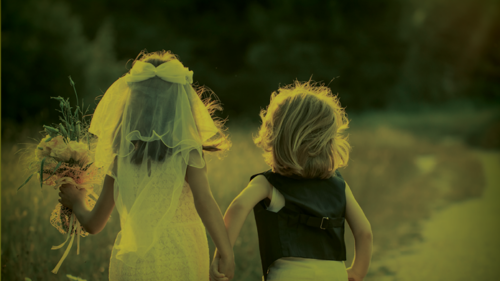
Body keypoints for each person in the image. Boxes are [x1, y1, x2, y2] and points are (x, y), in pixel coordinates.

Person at [59, 50, 234, 281]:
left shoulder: (121, 157)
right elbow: (204, 201)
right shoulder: (186, 152)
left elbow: (94, 224)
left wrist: (77, 202)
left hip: (135, 261)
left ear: (132, 104)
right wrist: (226, 253)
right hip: (183, 255)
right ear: (179, 105)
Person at [210, 81, 372, 281]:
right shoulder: (339, 185)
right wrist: (356, 272)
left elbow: (239, 207)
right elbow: (364, 233)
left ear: (276, 137)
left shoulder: (268, 183)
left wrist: (223, 256)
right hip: (334, 274)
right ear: (328, 140)